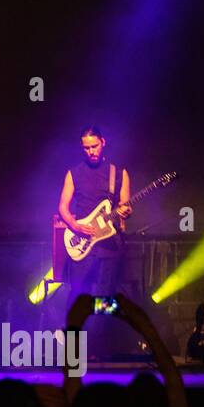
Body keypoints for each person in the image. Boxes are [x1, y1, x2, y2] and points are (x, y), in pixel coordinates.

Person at [58, 126, 131, 306]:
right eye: (86, 148)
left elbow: (125, 206)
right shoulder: (73, 173)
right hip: (82, 243)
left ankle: (100, 333)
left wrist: (126, 212)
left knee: (105, 299)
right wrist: (75, 226)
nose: (91, 151)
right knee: (78, 295)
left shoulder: (119, 173)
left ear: (103, 142)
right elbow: (62, 207)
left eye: (95, 146)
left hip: (109, 246)